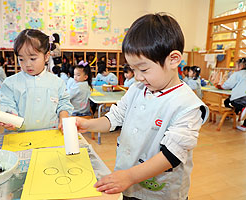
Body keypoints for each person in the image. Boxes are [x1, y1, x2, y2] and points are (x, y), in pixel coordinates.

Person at [75, 13, 208, 200]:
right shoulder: (137, 89)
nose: (137, 76)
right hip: (127, 181)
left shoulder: (188, 105)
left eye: (143, 69)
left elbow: (172, 155)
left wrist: (129, 176)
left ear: (173, 59)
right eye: (133, 69)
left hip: (161, 192)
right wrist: (88, 125)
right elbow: (115, 118)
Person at [0, 29, 73, 131]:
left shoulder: (57, 82)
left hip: (49, 136)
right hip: (19, 137)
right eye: (21, 59)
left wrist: (63, 118)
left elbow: (64, 104)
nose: (27, 64)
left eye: (33, 58)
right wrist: (8, 117)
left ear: (46, 56)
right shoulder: (10, 83)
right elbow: (5, 104)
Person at [217, 58, 246, 131]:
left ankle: (240, 110)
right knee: (227, 101)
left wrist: (221, 86)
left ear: (241, 66)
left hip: (239, 97)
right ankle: (244, 125)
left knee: (233, 102)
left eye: (236, 66)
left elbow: (228, 84)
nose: (235, 68)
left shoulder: (238, 74)